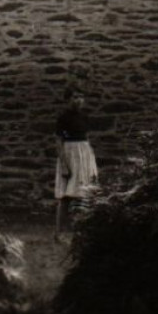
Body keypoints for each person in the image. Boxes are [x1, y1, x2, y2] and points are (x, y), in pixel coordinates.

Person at [54, 86, 98, 239]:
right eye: (74, 97)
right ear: (67, 100)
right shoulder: (63, 118)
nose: (78, 100)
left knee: (84, 193)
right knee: (65, 195)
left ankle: (80, 232)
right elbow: (59, 142)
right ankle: (59, 233)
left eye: (81, 97)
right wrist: (64, 165)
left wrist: (91, 160)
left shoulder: (85, 117)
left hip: (84, 155)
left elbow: (87, 139)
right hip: (70, 155)